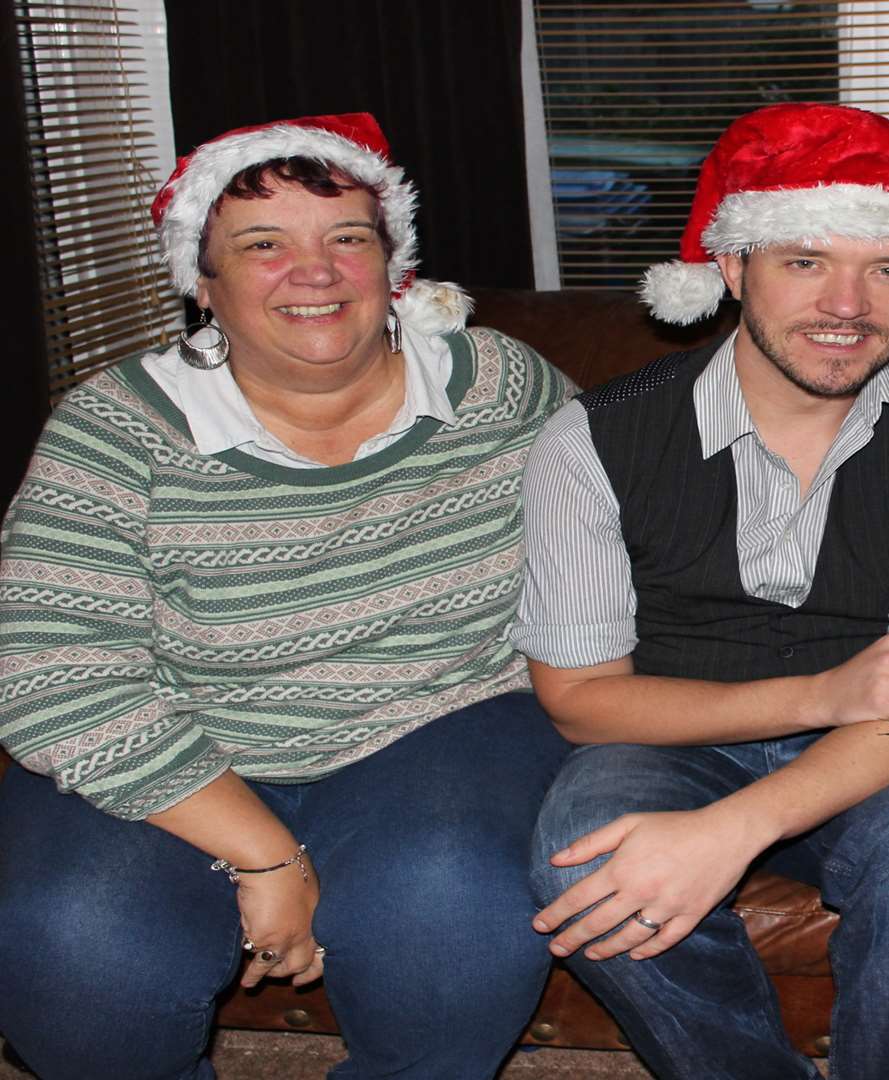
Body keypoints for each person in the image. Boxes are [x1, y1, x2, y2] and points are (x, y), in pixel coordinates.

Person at [0, 113, 576, 1078]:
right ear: (201, 280)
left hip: (444, 720)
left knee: (449, 924)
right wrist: (266, 858)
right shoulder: (114, 427)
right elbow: (55, 674)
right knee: (73, 949)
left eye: (346, 238)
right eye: (261, 245)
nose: (315, 272)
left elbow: (630, 541)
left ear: (392, 264)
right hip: (185, 733)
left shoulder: (503, 386)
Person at [513, 103, 889, 1080]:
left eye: (888, 268)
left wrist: (744, 823)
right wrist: (816, 697)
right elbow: (580, 699)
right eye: (804, 261)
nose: (848, 304)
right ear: (731, 268)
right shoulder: (595, 438)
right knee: (579, 853)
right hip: (672, 732)